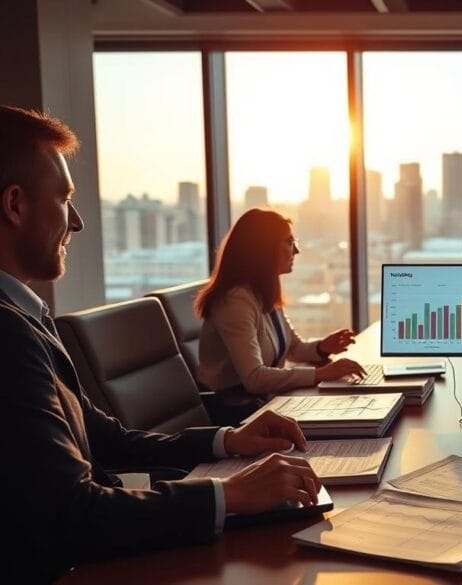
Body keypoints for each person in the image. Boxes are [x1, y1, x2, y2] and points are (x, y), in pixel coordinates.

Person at [0, 105, 324, 581]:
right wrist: (230, 495)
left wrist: (229, 441)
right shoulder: (8, 334)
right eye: (65, 198)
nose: (78, 222)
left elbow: (106, 439)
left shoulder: (28, 317)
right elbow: (72, 515)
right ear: (15, 205)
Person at [195, 208, 366, 413]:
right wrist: (321, 374)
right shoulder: (234, 302)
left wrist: (322, 348)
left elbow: (293, 348)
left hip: (268, 403)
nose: (296, 251)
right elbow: (254, 379)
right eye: (288, 241)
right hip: (237, 414)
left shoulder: (262, 291)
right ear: (263, 248)